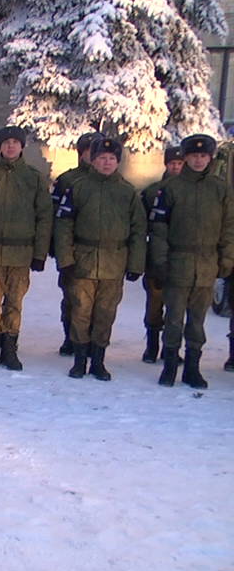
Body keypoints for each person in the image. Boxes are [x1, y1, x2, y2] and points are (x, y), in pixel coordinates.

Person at [53, 137, 146, 380]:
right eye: (101, 158)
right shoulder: (79, 188)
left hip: (114, 264)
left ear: (118, 162)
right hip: (83, 261)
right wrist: (66, 259)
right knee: (81, 312)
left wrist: (136, 264)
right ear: (92, 161)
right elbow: (64, 226)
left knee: (105, 313)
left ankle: (98, 361)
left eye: (112, 159)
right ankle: (80, 360)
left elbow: (138, 230)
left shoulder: (127, 192)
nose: (107, 162)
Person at [148, 133, 234, 388]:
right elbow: (159, 228)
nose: (199, 160)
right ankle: (171, 366)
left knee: (197, 321)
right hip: (178, 262)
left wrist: (226, 258)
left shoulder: (220, 189)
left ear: (210, 158)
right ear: (185, 158)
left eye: (203, 156)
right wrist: (160, 262)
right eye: (194, 156)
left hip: (207, 263)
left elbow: (229, 226)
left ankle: (193, 369)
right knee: (174, 318)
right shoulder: (170, 188)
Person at [0, 126, 53, 370]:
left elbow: (44, 217)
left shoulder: (34, 179)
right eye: (6, 143)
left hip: (21, 253)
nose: (11, 146)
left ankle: (10, 349)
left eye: (15, 142)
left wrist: (39, 254)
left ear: (22, 147)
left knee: (14, 302)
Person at [51, 131, 103, 355]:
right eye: (87, 151)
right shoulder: (67, 180)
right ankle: (70, 337)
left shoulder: (114, 182)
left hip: (102, 254)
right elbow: (55, 215)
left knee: (99, 303)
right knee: (72, 298)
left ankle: (91, 340)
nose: (91, 156)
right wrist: (57, 249)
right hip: (73, 250)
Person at [139, 146, 184, 363]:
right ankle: (152, 346)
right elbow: (142, 224)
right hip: (156, 256)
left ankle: (171, 348)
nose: (176, 167)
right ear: (166, 165)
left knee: (177, 306)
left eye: (180, 163)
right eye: (172, 163)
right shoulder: (152, 191)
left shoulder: (189, 190)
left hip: (183, 258)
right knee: (155, 303)